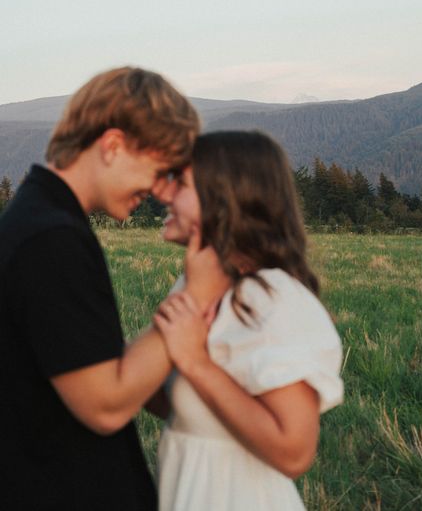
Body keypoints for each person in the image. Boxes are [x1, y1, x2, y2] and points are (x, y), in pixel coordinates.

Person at [0, 66, 204, 511]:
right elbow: (105, 405)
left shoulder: (39, 219)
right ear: (112, 145)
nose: (157, 192)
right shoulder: (50, 238)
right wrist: (199, 295)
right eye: (157, 169)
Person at [154, 130, 344, 511]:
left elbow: (294, 452)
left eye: (182, 183)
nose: (164, 193)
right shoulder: (198, 284)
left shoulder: (271, 298)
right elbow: (168, 401)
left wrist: (195, 362)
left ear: (224, 198)